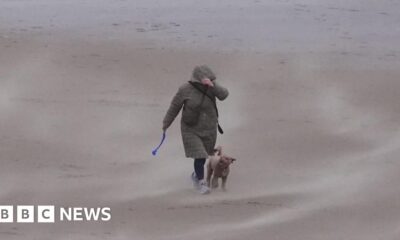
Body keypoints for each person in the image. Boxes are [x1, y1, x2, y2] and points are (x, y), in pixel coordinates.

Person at [162, 65, 229, 194]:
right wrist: (166, 124)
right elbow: (174, 107)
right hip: (190, 128)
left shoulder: (212, 88)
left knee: (203, 156)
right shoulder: (185, 89)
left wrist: (213, 84)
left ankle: (196, 176)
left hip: (209, 128)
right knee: (199, 154)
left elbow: (224, 95)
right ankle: (201, 182)